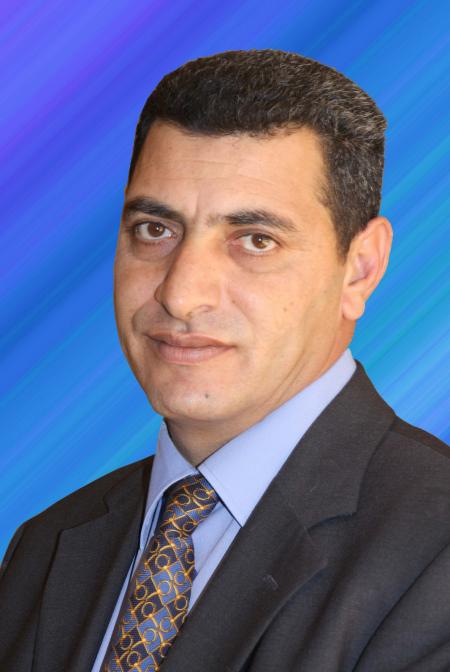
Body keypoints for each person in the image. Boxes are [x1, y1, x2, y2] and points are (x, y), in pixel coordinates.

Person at [1, 49, 449, 672]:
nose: (181, 294)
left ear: (361, 269)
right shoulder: (46, 544)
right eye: (155, 229)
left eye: (255, 240)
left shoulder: (436, 553)